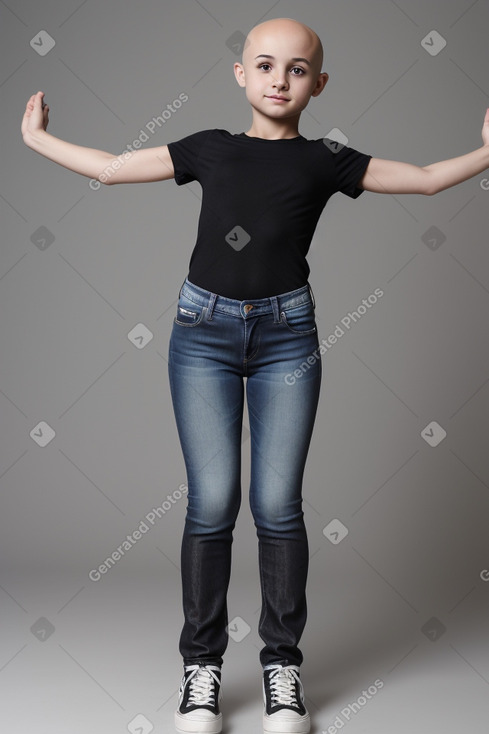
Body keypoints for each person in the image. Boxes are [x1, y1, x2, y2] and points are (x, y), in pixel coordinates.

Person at [21, 16, 489, 734]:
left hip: (285, 338)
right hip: (200, 334)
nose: (279, 79)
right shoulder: (210, 149)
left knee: (277, 506)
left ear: (318, 83)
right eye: (265, 65)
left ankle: (281, 668)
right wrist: (37, 140)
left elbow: (423, 181)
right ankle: (201, 668)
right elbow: (113, 167)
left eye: (297, 69)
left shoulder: (325, 159)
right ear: (240, 75)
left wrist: (485, 154)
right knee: (211, 504)